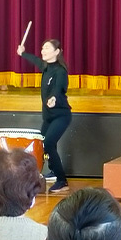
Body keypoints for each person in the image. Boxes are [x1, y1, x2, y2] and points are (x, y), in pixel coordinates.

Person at [17, 38, 72, 193]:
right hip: (48, 116)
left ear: (57, 52)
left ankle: (62, 181)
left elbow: (59, 89)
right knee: (44, 145)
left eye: (47, 48)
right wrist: (23, 53)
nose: (43, 51)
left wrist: (54, 98)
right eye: (42, 48)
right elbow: (35, 60)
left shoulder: (60, 71)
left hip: (61, 115)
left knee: (48, 144)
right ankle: (54, 171)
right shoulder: (46, 67)